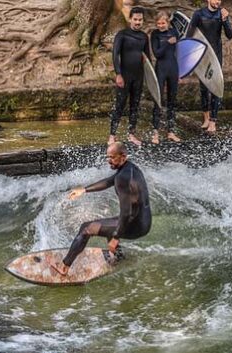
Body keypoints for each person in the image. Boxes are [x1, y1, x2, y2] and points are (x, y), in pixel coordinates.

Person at [52, 142, 151, 276]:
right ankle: (118, 256)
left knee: (86, 228)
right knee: (109, 223)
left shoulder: (123, 178)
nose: (109, 161)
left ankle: (64, 267)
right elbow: (109, 181)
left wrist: (116, 237)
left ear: (123, 156)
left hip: (135, 225)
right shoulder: (129, 168)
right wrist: (84, 190)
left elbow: (126, 213)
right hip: (143, 220)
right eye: (108, 157)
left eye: (112, 157)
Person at [186, 0, 232, 134]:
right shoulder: (198, 14)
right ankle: (206, 117)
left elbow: (230, 35)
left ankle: (213, 121)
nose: (217, 1)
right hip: (202, 56)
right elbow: (189, 34)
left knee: (215, 87)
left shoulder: (222, 14)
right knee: (203, 88)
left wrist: (225, 20)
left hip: (216, 57)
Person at [109, 6, 150, 147]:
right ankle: (112, 136)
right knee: (119, 105)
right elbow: (115, 55)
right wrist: (118, 74)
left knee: (135, 106)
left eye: (140, 20)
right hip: (124, 76)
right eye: (135, 19)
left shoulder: (144, 37)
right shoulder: (122, 34)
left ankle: (131, 134)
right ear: (130, 19)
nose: (138, 22)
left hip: (138, 77)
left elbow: (148, 59)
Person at [150, 11, 181, 145]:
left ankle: (171, 132)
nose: (160, 25)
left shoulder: (174, 32)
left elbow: (180, 52)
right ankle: (155, 133)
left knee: (172, 102)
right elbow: (157, 54)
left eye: (163, 23)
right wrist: (168, 43)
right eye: (158, 23)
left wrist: (182, 72)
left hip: (173, 69)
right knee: (158, 101)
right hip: (160, 69)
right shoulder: (155, 34)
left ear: (167, 22)